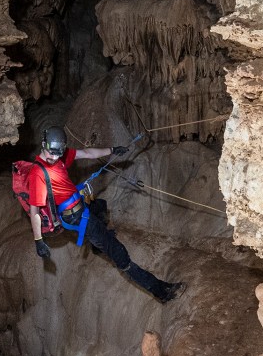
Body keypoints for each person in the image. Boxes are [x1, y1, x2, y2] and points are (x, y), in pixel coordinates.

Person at [26, 126, 184, 303]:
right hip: (77, 217)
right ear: (43, 145)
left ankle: (96, 244)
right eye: (52, 154)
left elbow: (87, 153)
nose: (55, 158)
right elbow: (34, 210)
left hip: (80, 206)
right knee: (120, 255)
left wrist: (112, 150)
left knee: (100, 205)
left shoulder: (58, 156)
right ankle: (163, 292)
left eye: (58, 154)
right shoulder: (37, 174)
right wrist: (38, 240)